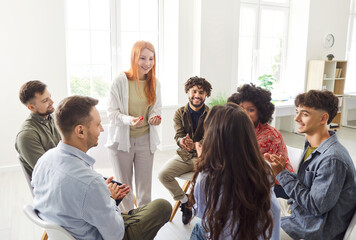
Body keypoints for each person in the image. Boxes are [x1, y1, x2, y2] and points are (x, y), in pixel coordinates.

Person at [32, 96, 171, 240]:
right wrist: (109, 199)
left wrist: (101, 198)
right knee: (162, 206)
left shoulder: (44, 160)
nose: (102, 129)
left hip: (70, 227)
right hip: (102, 234)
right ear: (80, 131)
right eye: (98, 125)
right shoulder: (90, 183)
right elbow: (116, 235)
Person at [266, 90, 356, 239]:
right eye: (297, 112)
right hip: (299, 211)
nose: (296, 118)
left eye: (304, 114)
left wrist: (282, 174)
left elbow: (315, 206)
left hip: (313, 227)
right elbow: (309, 185)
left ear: (323, 118)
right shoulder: (312, 144)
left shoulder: (332, 159)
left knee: (255, 231)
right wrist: (281, 171)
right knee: (253, 209)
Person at [189, 103, 280, 240]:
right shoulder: (265, 168)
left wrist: (203, 159)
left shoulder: (207, 177)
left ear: (213, 139)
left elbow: (203, 214)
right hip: (264, 235)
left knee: (198, 227)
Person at [106, 40, 162, 211]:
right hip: (121, 142)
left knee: (145, 191)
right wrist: (129, 120)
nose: (147, 63)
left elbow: (155, 109)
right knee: (125, 190)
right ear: (134, 58)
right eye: (143, 58)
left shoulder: (154, 82)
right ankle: (128, 227)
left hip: (145, 140)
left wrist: (154, 118)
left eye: (151, 59)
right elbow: (112, 113)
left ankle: (144, 227)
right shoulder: (120, 82)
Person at [158, 76, 212, 224]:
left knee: (210, 180)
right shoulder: (179, 113)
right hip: (184, 156)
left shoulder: (212, 114)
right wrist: (182, 141)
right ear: (188, 92)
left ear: (206, 95)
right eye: (194, 91)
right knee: (163, 175)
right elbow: (178, 135)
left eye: (201, 92)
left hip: (203, 157)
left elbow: (209, 138)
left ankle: (206, 210)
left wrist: (195, 144)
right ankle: (186, 202)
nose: (197, 95)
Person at [228, 83, 293, 199]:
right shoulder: (237, 129)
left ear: (261, 112)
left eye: (251, 110)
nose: (245, 113)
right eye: (241, 109)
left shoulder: (270, 136)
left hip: (276, 186)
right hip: (249, 181)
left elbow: (261, 171)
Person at [15, 80, 61, 179]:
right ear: (31, 107)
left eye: (50, 97)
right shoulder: (27, 135)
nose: (52, 102)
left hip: (65, 176)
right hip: (52, 186)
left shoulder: (55, 119)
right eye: (45, 101)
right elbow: (48, 172)